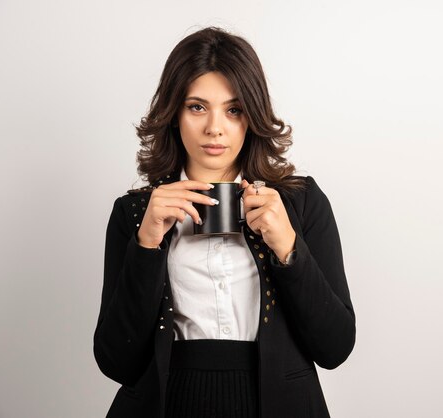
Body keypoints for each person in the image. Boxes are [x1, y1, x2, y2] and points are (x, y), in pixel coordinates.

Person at [93, 26, 356, 418]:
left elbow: (335, 348)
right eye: (197, 107)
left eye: (233, 110)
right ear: (173, 114)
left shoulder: (300, 203)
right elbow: (116, 362)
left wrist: (289, 248)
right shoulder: (135, 213)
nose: (214, 128)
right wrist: (146, 244)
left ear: (252, 117)